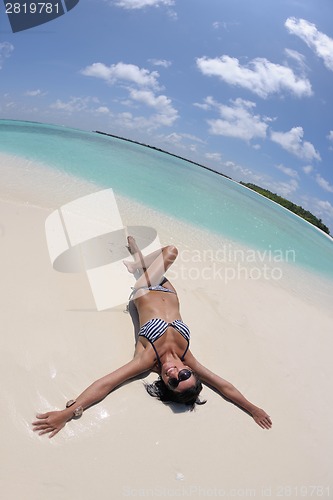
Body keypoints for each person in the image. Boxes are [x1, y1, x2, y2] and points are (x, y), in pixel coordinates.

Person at [32, 236, 272, 438]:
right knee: (160, 258)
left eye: (173, 383)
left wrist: (67, 414)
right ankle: (136, 259)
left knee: (170, 252)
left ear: (165, 384)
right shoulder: (187, 356)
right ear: (190, 371)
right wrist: (253, 409)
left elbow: (107, 384)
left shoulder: (147, 360)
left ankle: (137, 262)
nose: (175, 374)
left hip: (144, 288)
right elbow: (223, 385)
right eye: (184, 375)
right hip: (167, 287)